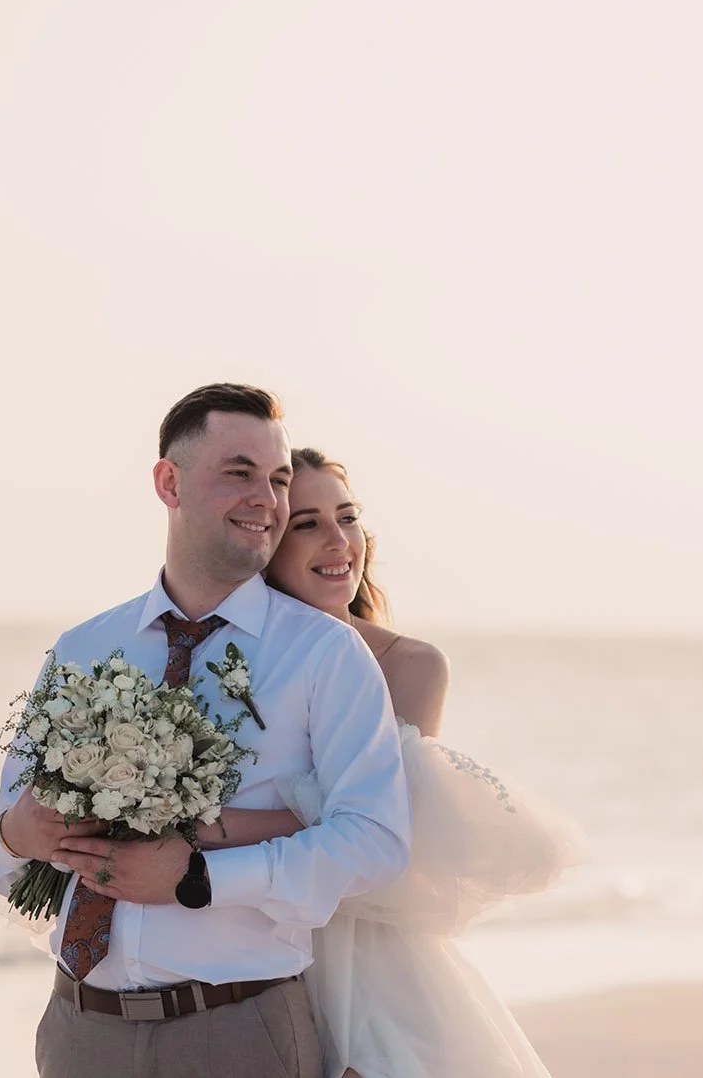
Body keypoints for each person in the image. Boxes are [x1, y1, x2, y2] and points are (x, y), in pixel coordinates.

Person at [0, 384, 412, 1078]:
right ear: (168, 482)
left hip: (237, 1033)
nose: (266, 500)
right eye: (238, 473)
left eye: (275, 480)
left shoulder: (323, 655)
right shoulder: (83, 649)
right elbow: (1, 862)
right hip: (77, 1033)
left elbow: (376, 841)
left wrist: (198, 879)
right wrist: (16, 835)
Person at [214, 447, 583, 1078]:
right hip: (240, 943)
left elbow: (376, 835)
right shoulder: (230, 661)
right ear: (265, 546)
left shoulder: (409, 666)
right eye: (306, 523)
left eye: (347, 517)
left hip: (365, 961)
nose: (337, 540)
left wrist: (204, 829)